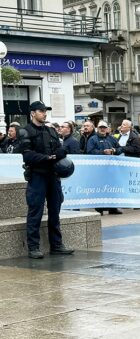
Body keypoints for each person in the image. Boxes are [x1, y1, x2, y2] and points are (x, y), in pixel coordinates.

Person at [18, 101, 74, 259]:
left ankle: (56, 245)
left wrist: (56, 155)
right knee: (35, 211)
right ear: (33, 113)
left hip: (53, 176)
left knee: (55, 211)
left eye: (45, 111)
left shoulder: (51, 130)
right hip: (37, 176)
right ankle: (33, 247)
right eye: (41, 111)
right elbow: (28, 155)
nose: (44, 113)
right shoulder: (25, 131)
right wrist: (47, 157)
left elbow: (61, 149)